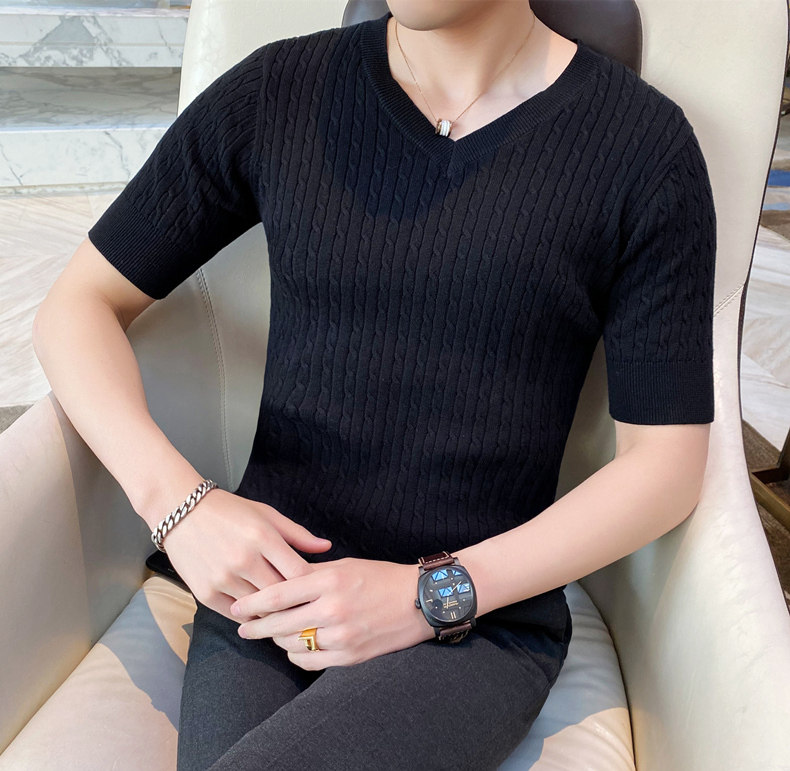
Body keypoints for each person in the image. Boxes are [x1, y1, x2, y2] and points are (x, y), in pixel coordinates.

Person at [31, 0, 716, 768]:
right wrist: (181, 508)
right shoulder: (277, 92)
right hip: (272, 582)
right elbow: (77, 307)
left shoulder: (645, 151)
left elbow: (666, 465)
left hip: (476, 619)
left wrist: (431, 595)